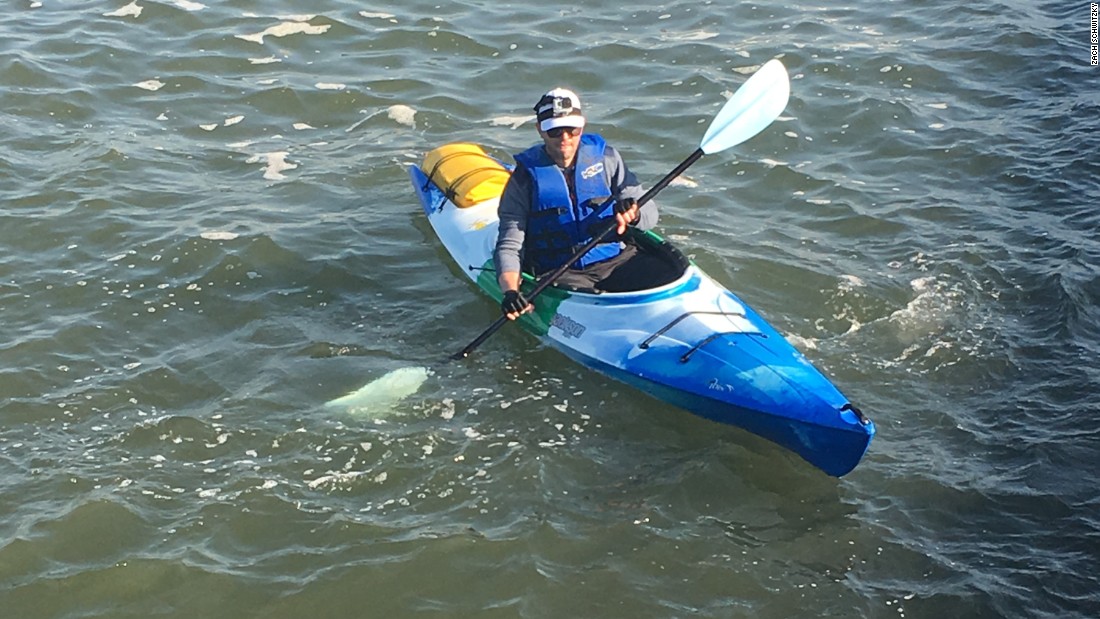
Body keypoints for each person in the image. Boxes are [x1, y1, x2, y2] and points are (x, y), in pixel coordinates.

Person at [493, 87, 673, 320]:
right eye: (555, 131)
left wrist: (635, 213)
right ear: (541, 130)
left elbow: (650, 216)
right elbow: (510, 244)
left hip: (617, 260)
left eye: (572, 128)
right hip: (561, 273)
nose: (565, 138)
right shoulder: (524, 180)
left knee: (668, 274)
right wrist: (510, 291)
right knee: (598, 302)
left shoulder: (608, 160)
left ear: (582, 125)